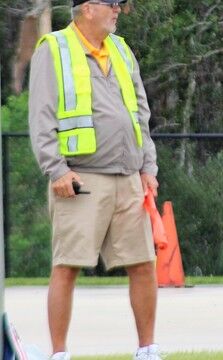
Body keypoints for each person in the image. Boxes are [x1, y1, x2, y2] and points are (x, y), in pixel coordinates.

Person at [28, 1, 161, 359]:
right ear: (87, 8)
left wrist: (148, 168)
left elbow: (140, 113)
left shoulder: (120, 48)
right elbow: (41, 116)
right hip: (80, 179)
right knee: (67, 265)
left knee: (143, 264)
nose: (119, 9)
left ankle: (147, 350)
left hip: (129, 176)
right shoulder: (54, 49)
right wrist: (56, 169)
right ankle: (59, 353)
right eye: (112, 3)